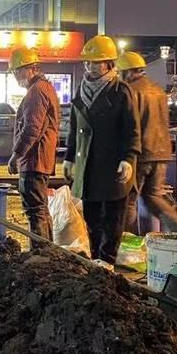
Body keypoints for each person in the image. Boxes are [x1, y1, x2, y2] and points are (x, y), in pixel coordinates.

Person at [65, 35, 140, 265]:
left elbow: (132, 129)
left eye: (96, 63)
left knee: (112, 219)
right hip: (88, 166)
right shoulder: (81, 90)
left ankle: (107, 262)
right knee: (92, 218)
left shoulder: (121, 91)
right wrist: (69, 157)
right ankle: (95, 259)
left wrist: (128, 158)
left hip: (112, 166)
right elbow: (74, 127)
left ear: (109, 63)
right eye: (88, 62)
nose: (91, 67)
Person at [117, 50, 177, 234]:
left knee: (128, 200)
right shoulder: (158, 90)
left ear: (127, 72)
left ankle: (123, 241)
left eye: (120, 72)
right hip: (161, 152)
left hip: (141, 153)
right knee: (153, 196)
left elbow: (129, 125)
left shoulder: (130, 91)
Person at [7, 48, 60, 241]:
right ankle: (46, 250)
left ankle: (40, 251)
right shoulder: (43, 88)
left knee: (35, 210)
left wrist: (16, 155)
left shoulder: (37, 91)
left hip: (34, 160)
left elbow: (31, 128)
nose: (15, 76)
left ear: (29, 69)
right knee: (40, 209)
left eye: (17, 72)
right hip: (38, 159)